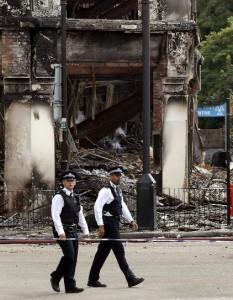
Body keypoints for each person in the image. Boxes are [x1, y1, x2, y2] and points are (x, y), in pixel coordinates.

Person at [87, 166, 144, 288]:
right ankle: (130, 278)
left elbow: (122, 207)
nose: (119, 177)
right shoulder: (105, 190)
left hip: (114, 223)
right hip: (108, 224)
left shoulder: (117, 191)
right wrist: (100, 225)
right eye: (116, 175)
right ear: (110, 176)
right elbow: (97, 207)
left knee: (102, 253)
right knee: (119, 250)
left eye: (120, 175)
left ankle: (92, 279)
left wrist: (131, 220)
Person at [50, 170, 89, 293]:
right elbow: (55, 215)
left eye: (72, 180)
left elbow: (80, 215)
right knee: (69, 256)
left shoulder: (75, 197)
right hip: (63, 231)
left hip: (73, 230)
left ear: (75, 182)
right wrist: (60, 232)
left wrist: (85, 231)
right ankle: (56, 276)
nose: (70, 182)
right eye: (68, 180)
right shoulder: (59, 197)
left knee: (74, 258)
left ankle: (70, 285)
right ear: (63, 182)